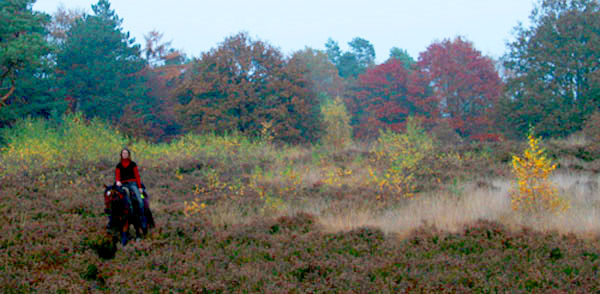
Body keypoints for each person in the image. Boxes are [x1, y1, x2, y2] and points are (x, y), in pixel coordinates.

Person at [115, 148, 147, 235]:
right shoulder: (118, 165)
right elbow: (117, 176)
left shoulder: (133, 164)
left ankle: (143, 219)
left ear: (128, 155)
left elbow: (137, 176)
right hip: (123, 185)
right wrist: (117, 181)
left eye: (126, 153)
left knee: (140, 199)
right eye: (123, 153)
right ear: (121, 155)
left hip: (132, 184)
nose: (124, 155)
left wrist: (139, 187)